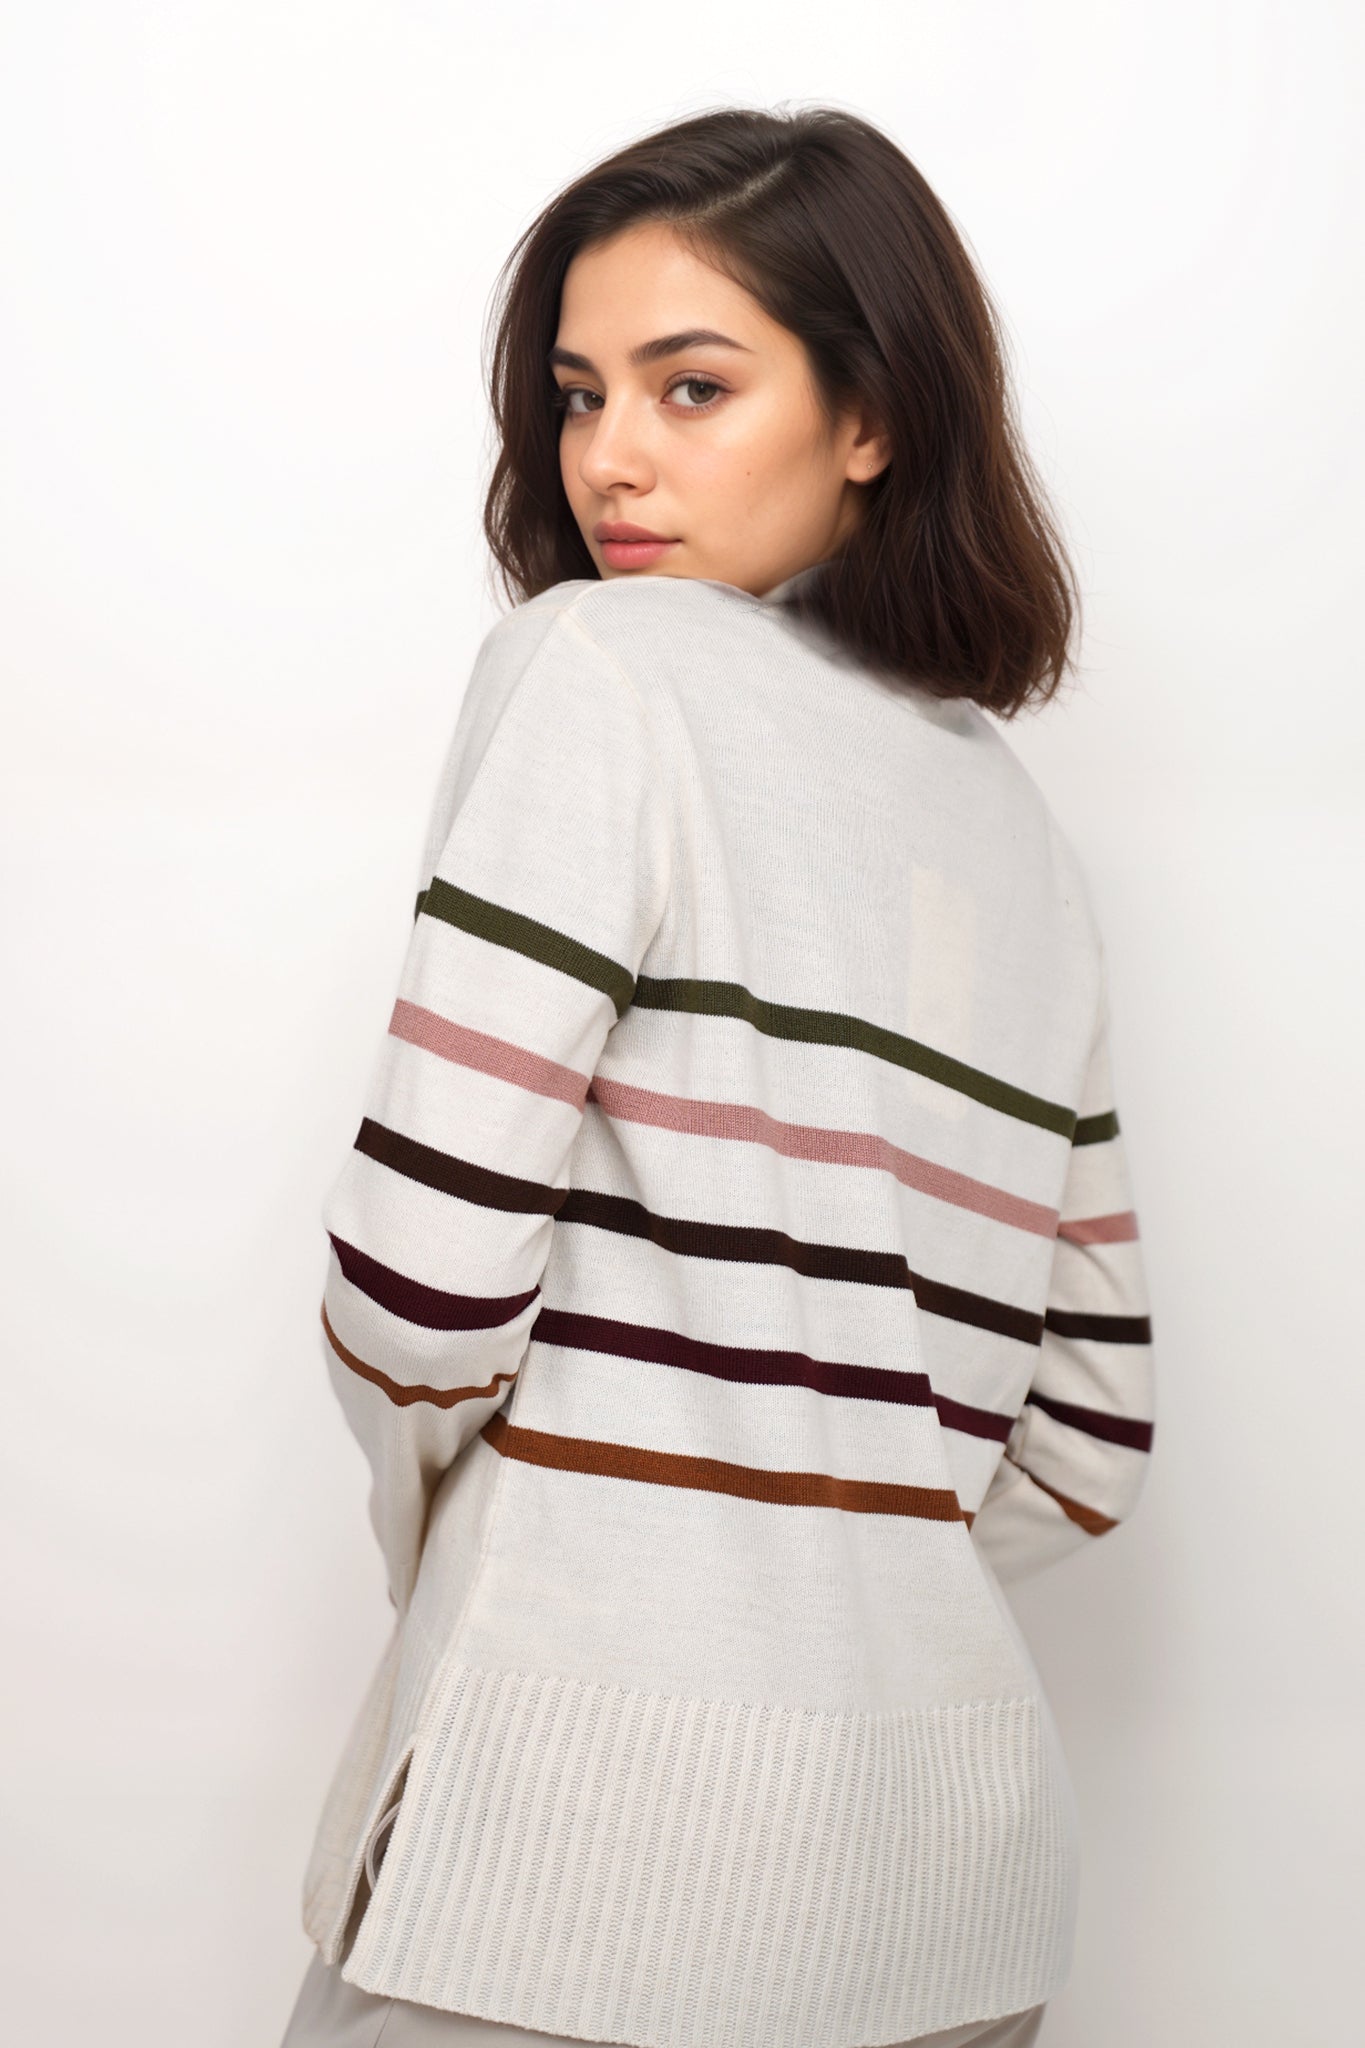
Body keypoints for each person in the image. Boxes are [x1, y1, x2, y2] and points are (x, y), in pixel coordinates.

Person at [280, 104, 1154, 2048]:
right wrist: (840, 1575)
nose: (607, 456)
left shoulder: (606, 668)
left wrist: (502, 1543)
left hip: (574, 1859)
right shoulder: (1015, 833)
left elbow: (420, 1295)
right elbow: (1090, 1434)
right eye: (576, 392)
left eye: (692, 387)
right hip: (950, 1896)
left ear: (872, 416)